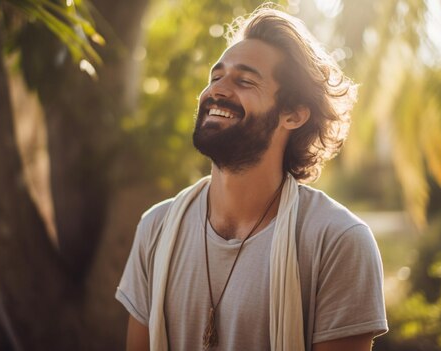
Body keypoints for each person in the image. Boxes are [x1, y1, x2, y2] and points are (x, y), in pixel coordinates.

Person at [116, 5, 388, 351]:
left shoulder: (337, 242)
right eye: (215, 77)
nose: (217, 90)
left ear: (293, 114)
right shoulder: (155, 228)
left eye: (244, 81)